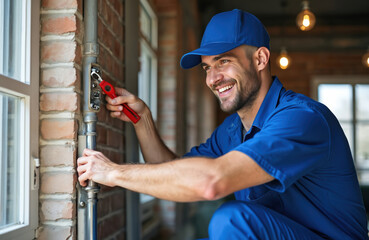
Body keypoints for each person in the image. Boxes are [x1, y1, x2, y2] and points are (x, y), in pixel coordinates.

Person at [77, 9, 369, 239]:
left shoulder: (302, 118)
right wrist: (143, 121)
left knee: (231, 220)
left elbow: (210, 183)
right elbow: (174, 172)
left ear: (260, 59)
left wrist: (113, 172)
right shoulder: (232, 131)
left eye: (224, 61)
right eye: (207, 67)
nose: (212, 78)